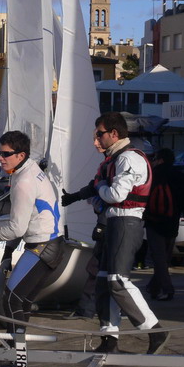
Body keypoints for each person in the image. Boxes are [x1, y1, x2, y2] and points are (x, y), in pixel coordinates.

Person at [62, 112, 169, 354]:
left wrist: (99, 189)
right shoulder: (113, 160)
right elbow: (101, 196)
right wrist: (77, 197)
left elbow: (115, 195)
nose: (95, 141)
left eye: (98, 135)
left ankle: (155, 330)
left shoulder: (129, 158)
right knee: (102, 282)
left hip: (126, 223)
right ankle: (109, 339)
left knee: (117, 281)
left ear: (114, 134)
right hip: (113, 223)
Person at [0, 131, 64, 336]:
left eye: (5, 154)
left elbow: (17, 228)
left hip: (42, 247)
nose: (0, 159)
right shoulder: (30, 169)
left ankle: (15, 359)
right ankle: (18, 358)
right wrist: (9, 250)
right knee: (23, 302)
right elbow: (25, 220)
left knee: (12, 299)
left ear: (21, 156)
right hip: (53, 244)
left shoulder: (23, 182)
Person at [144, 148, 184, 301]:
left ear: (160, 160)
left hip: (153, 222)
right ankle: (153, 288)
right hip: (172, 222)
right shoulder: (179, 176)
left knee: (159, 259)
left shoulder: (151, 176)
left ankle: (167, 289)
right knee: (164, 259)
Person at [65, 136, 109, 320]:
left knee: (97, 267)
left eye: (99, 137)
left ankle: (88, 309)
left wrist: (75, 197)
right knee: (105, 269)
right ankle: (100, 309)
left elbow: (97, 188)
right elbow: (94, 186)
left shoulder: (114, 164)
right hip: (108, 223)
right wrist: (73, 197)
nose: (95, 143)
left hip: (110, 225)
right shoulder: (110, 164)